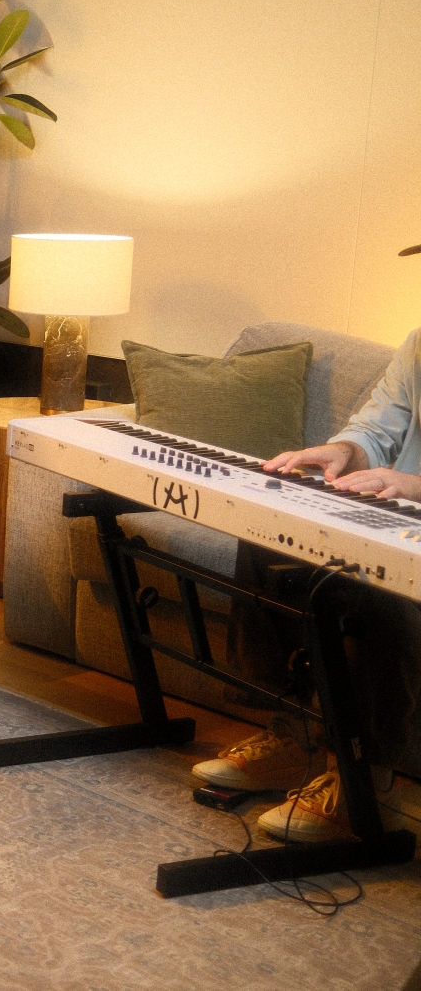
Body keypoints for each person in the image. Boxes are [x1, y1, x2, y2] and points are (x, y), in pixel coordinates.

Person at [193, 331, 421, 842]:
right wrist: (344, 451)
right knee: (269, 534)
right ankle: (292, 737)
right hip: (399, 518)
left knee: (377, 582)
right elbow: (376, 428)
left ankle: (368, 785)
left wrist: (414, 486)